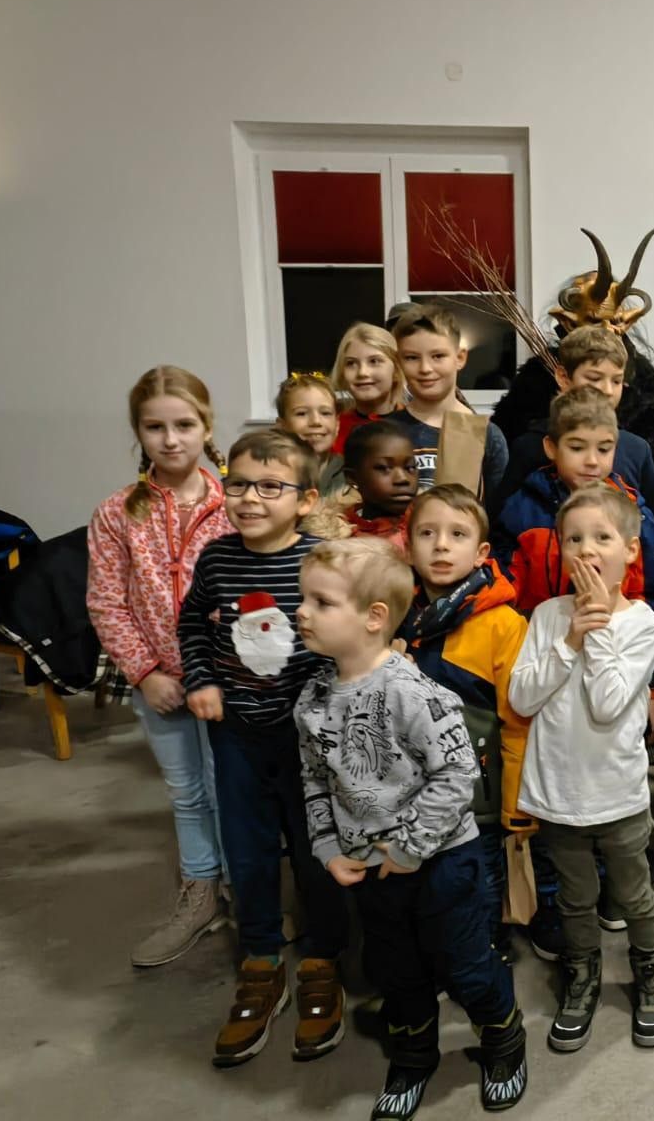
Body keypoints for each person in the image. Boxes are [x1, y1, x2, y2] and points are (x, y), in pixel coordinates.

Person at [295, 538, 526, 1116]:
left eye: (321, 602)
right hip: (370, 869)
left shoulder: (413, 692)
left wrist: (409, 847)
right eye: (304, 599)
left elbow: (457, 773)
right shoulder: (313, 698)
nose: (301, 612)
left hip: (444, 862)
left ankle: (503, 1040)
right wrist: (327, 847)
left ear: (374, 618)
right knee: (396, 973)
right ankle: (414, 1055)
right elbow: (315, 778)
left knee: (468, 967)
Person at [177, 428, 350, 1066]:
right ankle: (260, 957)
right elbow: (192, 623)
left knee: (315, 849)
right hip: (238, 735)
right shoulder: (217, 559)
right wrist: (201, 679)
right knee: (247, 852)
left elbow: (344, 636)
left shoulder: (321, 562)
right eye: (239, 484)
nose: (250, 498)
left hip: (308, 739)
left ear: (305, 500)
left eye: (270, 486)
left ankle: (324, 959)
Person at [508, 486, 654, 1053]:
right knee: (575, 899)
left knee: (634, 896)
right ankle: (582, 977)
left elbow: (608, 703)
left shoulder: (645, 624)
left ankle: (652, 974)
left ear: (630, 550)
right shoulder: (546, 616)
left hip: (617, 793)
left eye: (601, 537)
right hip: (557, 792)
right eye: (574, 538)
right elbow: (522, 697)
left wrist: (594, 629)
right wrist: (568, 638)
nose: (587, 549)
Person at [86, 366, 232, 968]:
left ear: (206, 427)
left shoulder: (236, 505)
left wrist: (223, 673)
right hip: (159, 684)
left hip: (226, 682)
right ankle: (200, 892)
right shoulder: (117, 513)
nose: (171, 440)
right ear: (138, 432)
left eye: (184, 425)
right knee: (187, 791)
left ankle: (245, 890)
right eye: (155, 427)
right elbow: (106, 601)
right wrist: (146, 673)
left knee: (230, 789)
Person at [398, 485, 536, 962]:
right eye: (427, 533)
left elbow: (518, 722)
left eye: (457, 535)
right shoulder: (396, 616)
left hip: (481, 792)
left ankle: (487, 952)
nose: (441, 545)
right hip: (413, 789)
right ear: (408, 546)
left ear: (481, 553)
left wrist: (515, 803)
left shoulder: (502, 624)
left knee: (481, 877)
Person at [490, 226, 654, 492]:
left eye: (616, 380)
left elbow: (653, 489)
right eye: (593, 377)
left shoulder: (645, 397)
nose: (605, 332)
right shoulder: (533, 393)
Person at [493, 387, 654, 625]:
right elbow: (505, 592)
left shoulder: (633, 512)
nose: (592, 461)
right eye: (577, 448)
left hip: (614, 639)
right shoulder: (522, 509)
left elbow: (650, 597)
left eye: (603, 449)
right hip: (539, 637)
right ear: (551, 447)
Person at [500, 324, 654, 520]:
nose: (608, 390)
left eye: (616, 381)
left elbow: (653, 525)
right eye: (594, 378)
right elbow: (504, 524)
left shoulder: (637, 450)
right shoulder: (530, 447)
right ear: (563, 377)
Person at [388, 304, 509, 523]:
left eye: (438, 356)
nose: (425, 368)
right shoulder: (386, 432)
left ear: (460, 358)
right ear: (399, 362)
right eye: (412, 358)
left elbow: (497, 518)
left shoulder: (486, 435)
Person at [339, 420, 418, 554]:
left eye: (410, 467)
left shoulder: (431, 527)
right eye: (384, 468)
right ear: (352, 477)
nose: (403, 479)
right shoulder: (338, 540)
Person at [329, 321, 405, 454]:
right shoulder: (332, 429)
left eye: (374, 361)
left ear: (396, 371)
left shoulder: (415, 425)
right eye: (351, 363)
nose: (362, 372)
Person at [275, 371, 345, 495]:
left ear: (337, 425)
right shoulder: (270, 474)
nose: (316, 421)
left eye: (325, 413)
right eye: (301, 413)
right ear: (282, 426)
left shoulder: (351, 474)